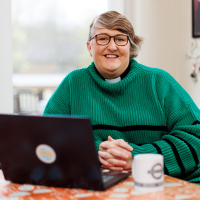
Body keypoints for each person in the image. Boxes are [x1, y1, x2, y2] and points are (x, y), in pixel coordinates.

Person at [43, 11, 200, 184]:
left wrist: (135, 159)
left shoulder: (159, 82)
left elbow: (196, 137)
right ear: (89, 47)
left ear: (131, 47)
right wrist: (96, 152)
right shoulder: (73, 84)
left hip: (168, 185)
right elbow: (46, 138)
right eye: (102, 38)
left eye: (120, 39)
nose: (112, 46)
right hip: (98, 186)